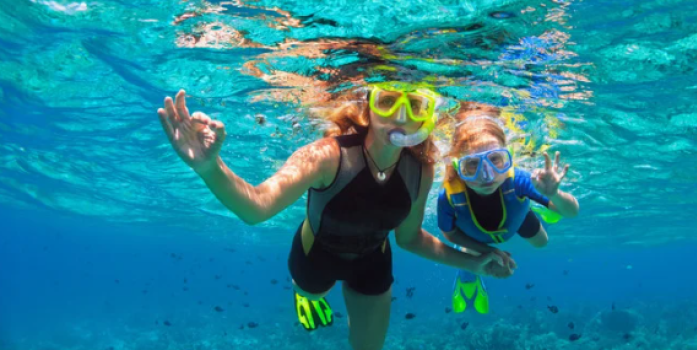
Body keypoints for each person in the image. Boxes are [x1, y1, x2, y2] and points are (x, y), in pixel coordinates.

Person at [155, 83, 513, 350]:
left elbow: (409, 238)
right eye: (388, 101)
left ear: (426, 115)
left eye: (415, 104)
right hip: (315, 258)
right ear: (368, 108)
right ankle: (306, 295)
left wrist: (474, 263)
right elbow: (257, 206)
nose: (400, 115)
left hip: (373, 262)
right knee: (312, 293)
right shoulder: (327, 155)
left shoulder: (422, 169)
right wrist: (209, 166)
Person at [437, 102, 579, 314]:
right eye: (472, 165)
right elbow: (449, 234)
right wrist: (490, 251)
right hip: (474, 236)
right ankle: (468, 280)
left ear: (508, 158)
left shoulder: (519, 180)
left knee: (542, 243)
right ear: (458, 167)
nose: (487, 175)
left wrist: (554, 195)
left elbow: (572, 212)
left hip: (517, 217)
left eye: (496, 160)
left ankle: (541, 205)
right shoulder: (448, 197)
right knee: (470, 255)